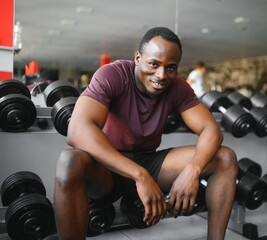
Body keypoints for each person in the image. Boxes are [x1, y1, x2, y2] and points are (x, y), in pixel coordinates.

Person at [54, 27, 238, 240]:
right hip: (106, 166)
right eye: (154, 64)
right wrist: (139, 175)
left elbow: (211, 129)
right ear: (138, 58)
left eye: (171, 68)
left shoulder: (177, 87)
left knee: (225, 158)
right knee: (68, 161)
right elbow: (77, 131)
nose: (161, 75)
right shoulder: (113, 75)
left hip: (148, 160)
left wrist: (192, 171)